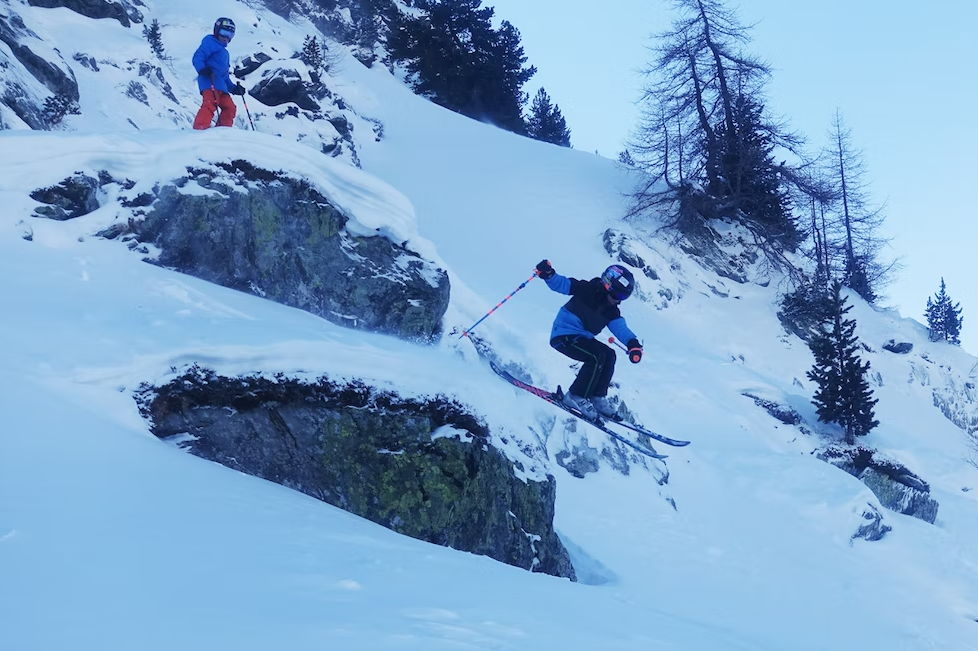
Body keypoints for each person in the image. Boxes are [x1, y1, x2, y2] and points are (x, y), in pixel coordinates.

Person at [536, 259, 643, 421]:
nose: (618, 300)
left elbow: (621, 329)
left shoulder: (611, 310)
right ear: (607, 286)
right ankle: (575, 396)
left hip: (582, 338)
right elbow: (562, 284)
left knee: (609, 354)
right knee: (596, 356)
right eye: (618, 294)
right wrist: (549, 274)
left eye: (623, 297)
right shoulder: (587, 290)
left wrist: (633, 344)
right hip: (563, 335)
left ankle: (597, 397)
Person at [192, 17, 246, 130]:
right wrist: (202, 69)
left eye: (230, 35)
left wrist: (234, 88)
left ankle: (222, 130)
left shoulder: (224, 52)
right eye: (223, 33)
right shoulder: (210, 43)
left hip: (220, 85)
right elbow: (198, 56)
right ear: (216, 31)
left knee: (230, 107)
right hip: (209, 81)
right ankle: (199, 128)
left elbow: (224, 76)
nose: (226, 37)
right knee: (210, 103)